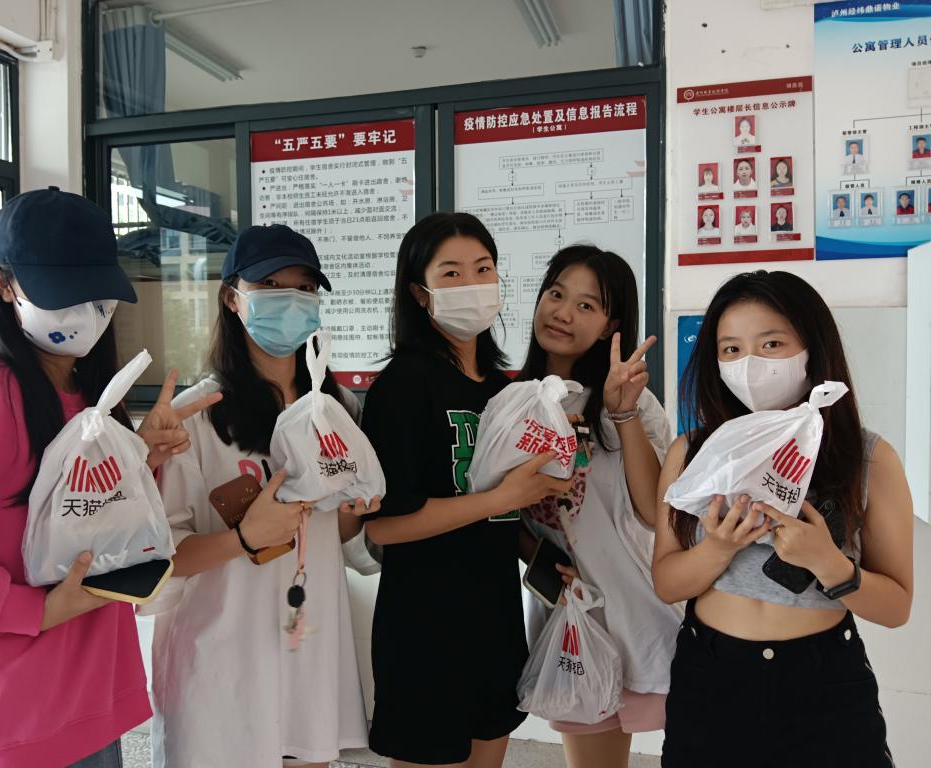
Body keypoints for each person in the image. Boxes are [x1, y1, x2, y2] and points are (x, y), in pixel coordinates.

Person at [0, 187, 216, 768]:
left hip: (93, 711)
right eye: (59, 288)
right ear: (3, 284)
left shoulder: (94, 400)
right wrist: (36, 610)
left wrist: (139, 460)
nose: (81, 309)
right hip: (0, 728)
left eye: (95, 292)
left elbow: (87, 526)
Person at [653, 270, 913, 768]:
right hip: (711, 677)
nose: (750, 364)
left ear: (813, 348)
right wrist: (718, 548)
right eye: (731, 350)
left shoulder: (867, 459)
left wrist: (828, 563)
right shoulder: (692, 453)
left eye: (771, 344)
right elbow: (666, 583)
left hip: (824, 683)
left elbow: (896, 606)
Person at [144, 224, 380, 768]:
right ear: (232, 298)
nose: (290, 301)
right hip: (223, 660)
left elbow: (344, 541)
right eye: (270, 285)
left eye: (304, 288)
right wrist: (244, 539)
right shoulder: (196, 416)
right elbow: (163, 560)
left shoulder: (336, 410)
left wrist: (354, 512)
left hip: (309, 648)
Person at [360, 212, 572, 768]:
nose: (472, 283)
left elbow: (503, 516)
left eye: (483, 268)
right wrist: (503, 499)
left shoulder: (505, 391)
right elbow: (384, 527)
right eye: (451, 273)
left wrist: (543, 556)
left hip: (496, 621)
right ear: (420, 292)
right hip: (426, 631)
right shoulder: (401, 386)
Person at [518, 246, 682, 768]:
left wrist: (622, 413)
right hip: (573, 622)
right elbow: (506, 512)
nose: (562, 313)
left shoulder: (630, 400)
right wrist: (540, 561)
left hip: (639, 617)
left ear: (611, 325)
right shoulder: (514, 402)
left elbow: (655, 511)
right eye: (556, 294)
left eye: (586, 305)